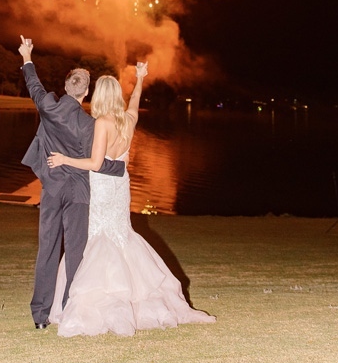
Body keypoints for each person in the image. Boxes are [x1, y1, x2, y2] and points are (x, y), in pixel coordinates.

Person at [46, 63, 216, 337]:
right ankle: (137, 297)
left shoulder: (102, 123)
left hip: (102, 188)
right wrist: (140, 78)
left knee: (98, 237)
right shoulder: (128, 120)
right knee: (122, 235)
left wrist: (64, 159)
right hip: (121, 188)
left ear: (99, 96)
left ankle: (104, 301)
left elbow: (96, 162)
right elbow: (135, 101)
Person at [18, 35, 126, 330]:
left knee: (47, 249)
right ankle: (69, 310)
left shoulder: (49, 106)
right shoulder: (90, 124)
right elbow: (98, 162)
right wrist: (119, 168)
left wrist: (27, 55)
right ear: (86, 92)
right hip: (79, 192)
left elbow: (34, 85)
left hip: (52, 189)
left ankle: (40, 316)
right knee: (76, 252)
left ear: (66, 88)